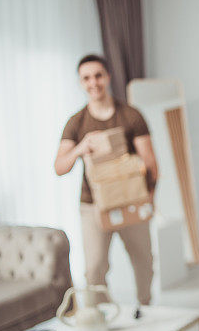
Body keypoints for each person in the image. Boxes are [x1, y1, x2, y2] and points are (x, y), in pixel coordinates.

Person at [54, 54, 159, 306]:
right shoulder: (76, 122)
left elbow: (151, 164)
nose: (94, 82)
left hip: (131, 201)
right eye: (87, 78)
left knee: (144, 261)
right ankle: (102, 316)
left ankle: (144, 308)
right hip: (93, 205)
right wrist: (80, 148)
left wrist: (149, 200)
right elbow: (59, 167)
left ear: (108, 77)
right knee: (94, 267)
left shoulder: (131, 116)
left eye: (98, 75)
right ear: (81, 82)